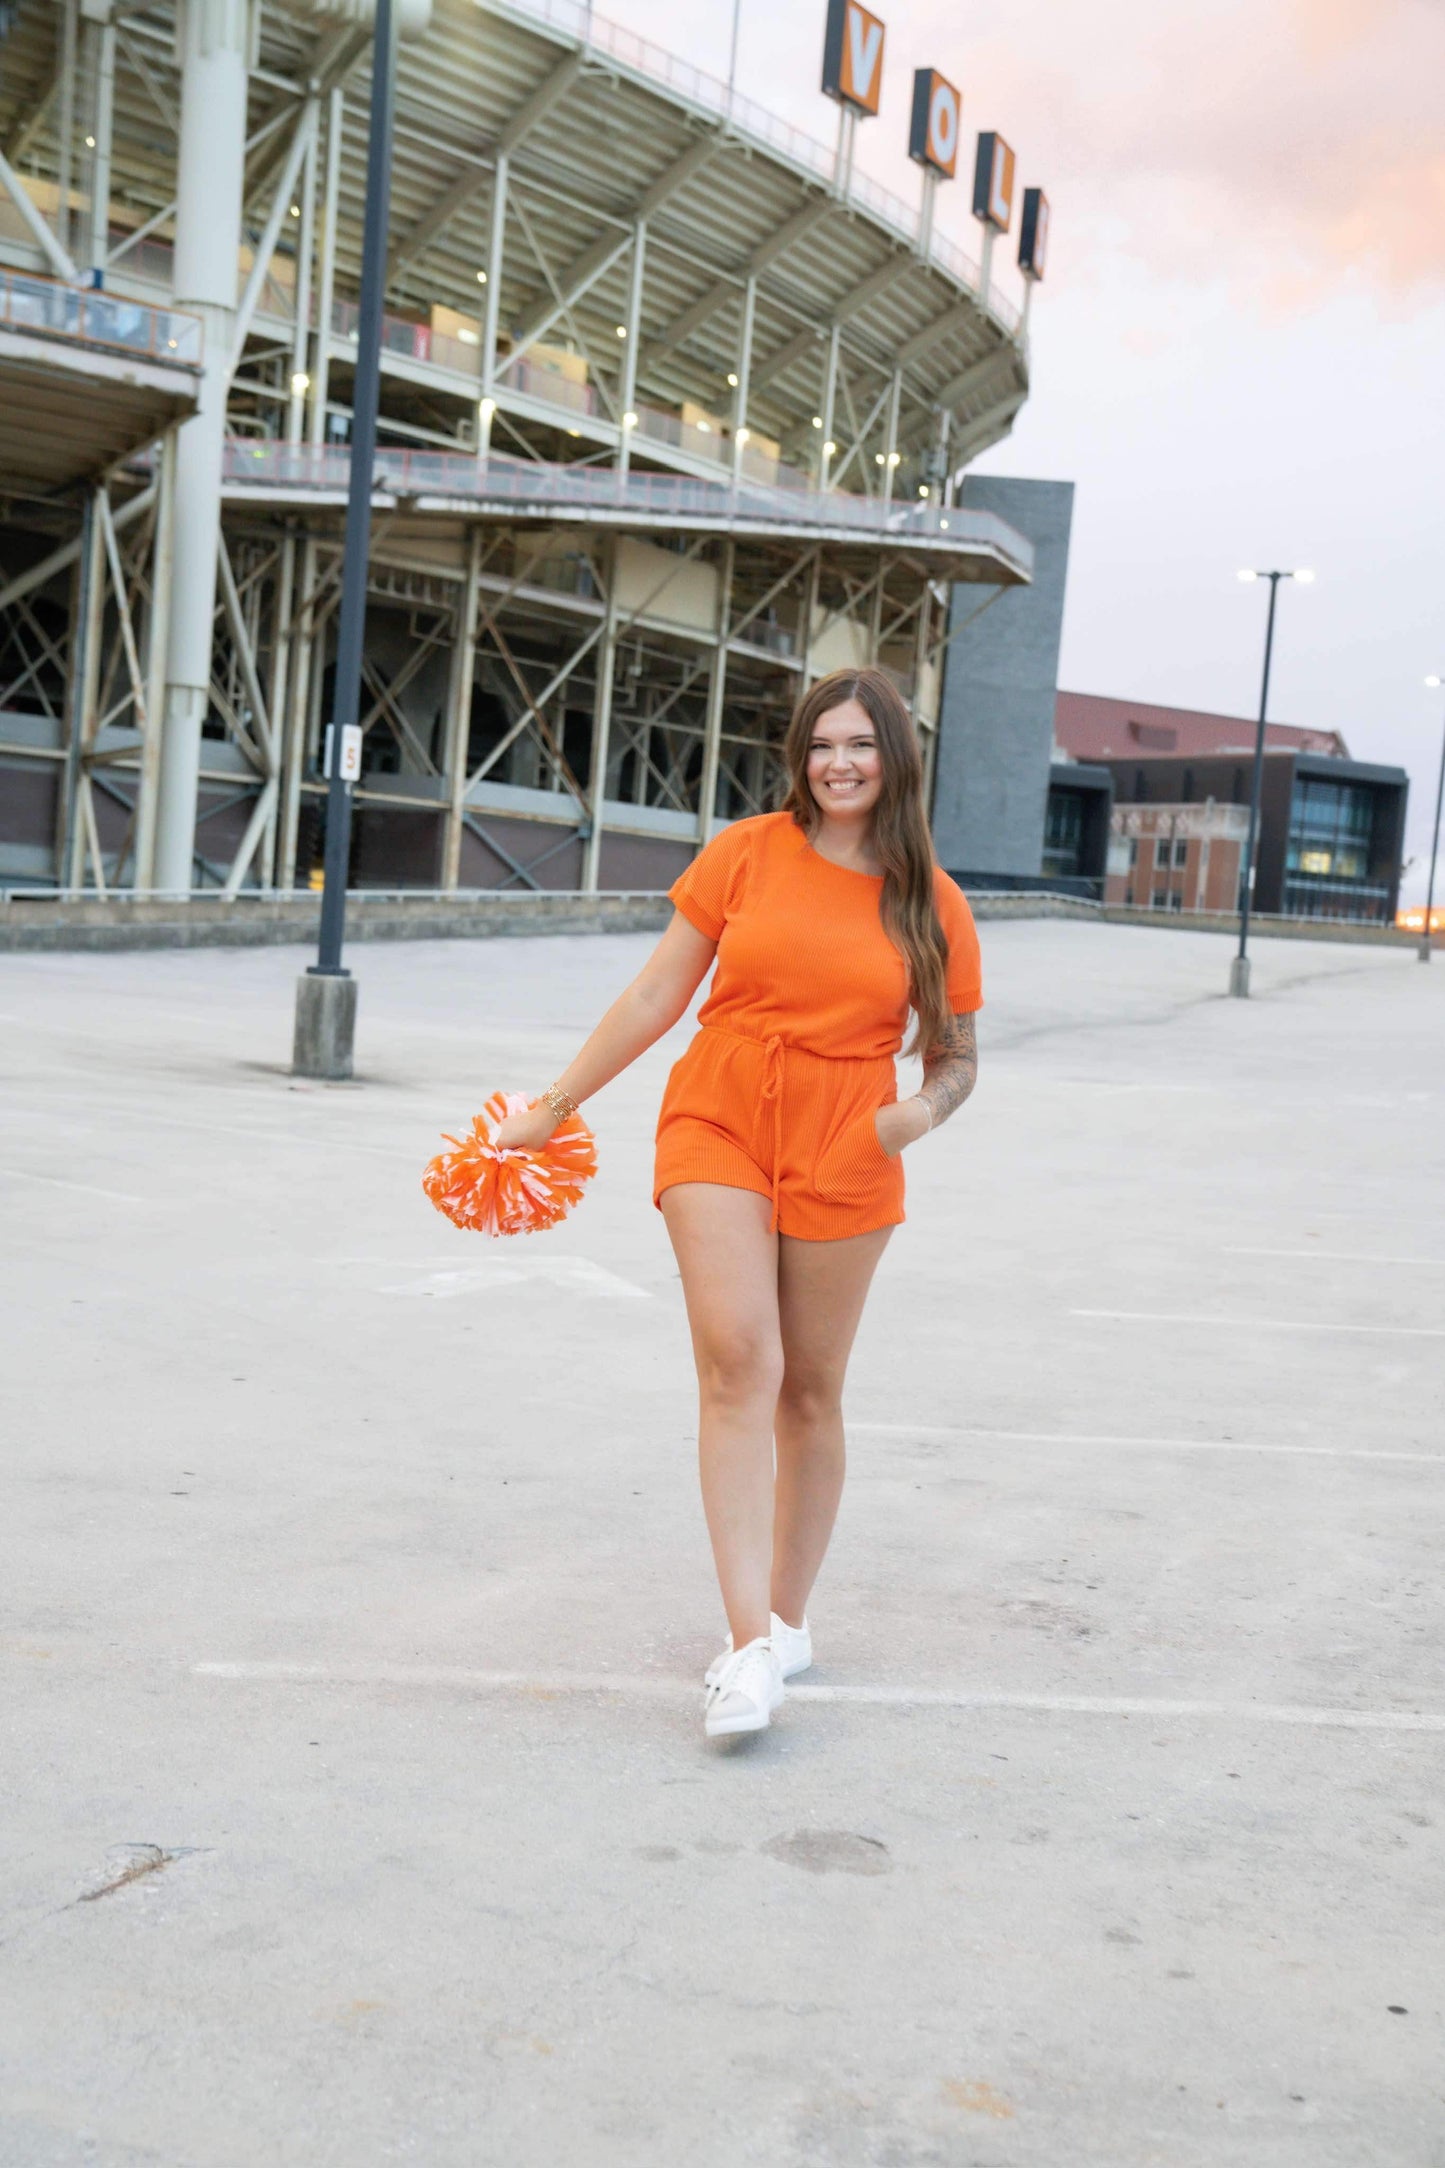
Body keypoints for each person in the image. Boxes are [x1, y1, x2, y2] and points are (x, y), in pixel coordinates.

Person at [494, 666, 981, 1740]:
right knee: (737, 1362)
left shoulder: (929, 899)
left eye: (858, 744)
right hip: (718, 1107)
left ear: (893, 758)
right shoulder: (744, 851)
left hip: (847, 1137)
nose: (836, 763)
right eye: (819, 744)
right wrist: (555, 1102)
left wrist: (913, 1116)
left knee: (808, 1391)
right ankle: (745, 1647)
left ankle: (787, 1616)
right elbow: (658, 991)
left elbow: (956, 1054)